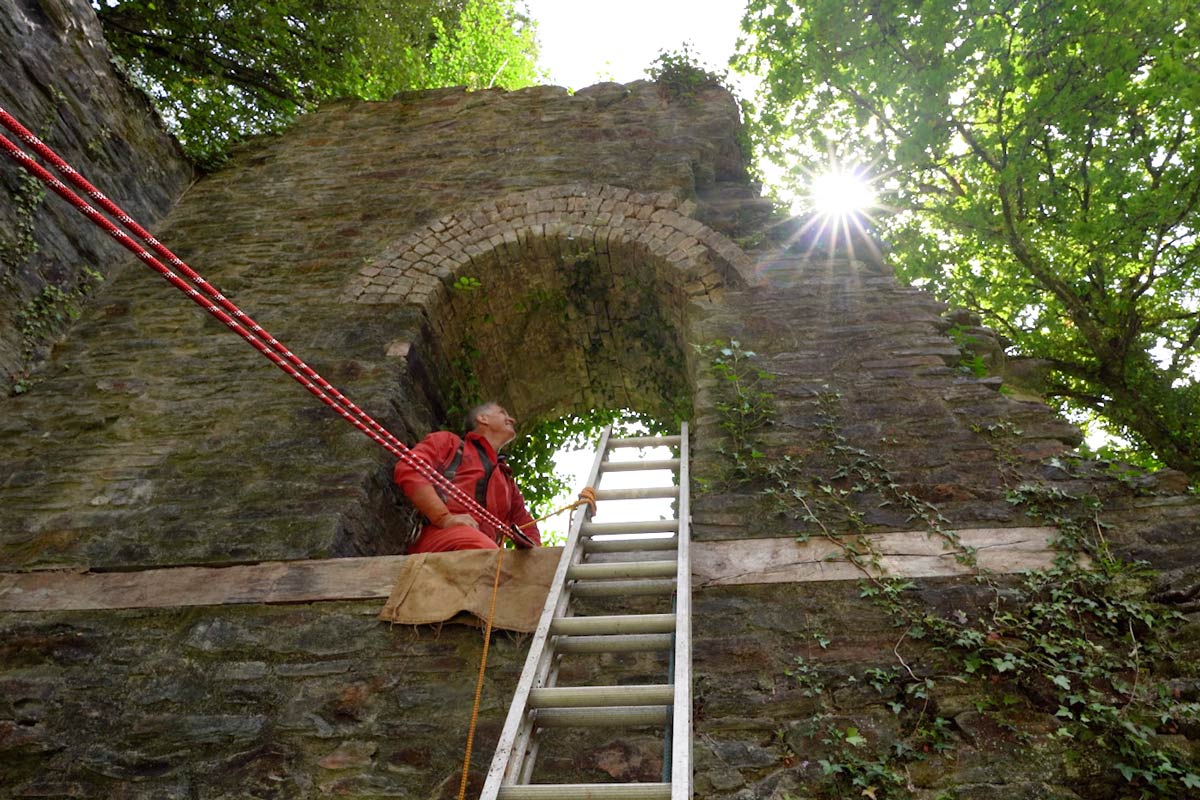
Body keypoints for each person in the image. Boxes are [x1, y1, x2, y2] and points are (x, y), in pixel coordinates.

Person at [394, 401, 541, 553]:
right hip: (440, 536)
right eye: (503, 412)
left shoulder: (507, 482)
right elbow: (410, 468)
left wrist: (536, 556)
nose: (512, 420)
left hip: (485, 550)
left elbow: (526, 524)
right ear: (483, 418)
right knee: (488, 554)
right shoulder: (450, 443)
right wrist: (444, 518)